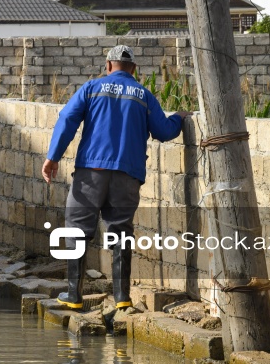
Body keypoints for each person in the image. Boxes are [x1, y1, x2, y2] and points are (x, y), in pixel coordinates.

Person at [42, 45, 191, 310]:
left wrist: (53, 157)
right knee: (121, 232)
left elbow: (67, 119)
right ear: (134, 69)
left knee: (77, 230)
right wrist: (178, 118)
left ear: (108, 65)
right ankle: (122, 297)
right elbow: (164, 131)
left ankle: (74, 296)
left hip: (91, 173)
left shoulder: (91, 88)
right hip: (127, 175)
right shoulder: (144, 95)